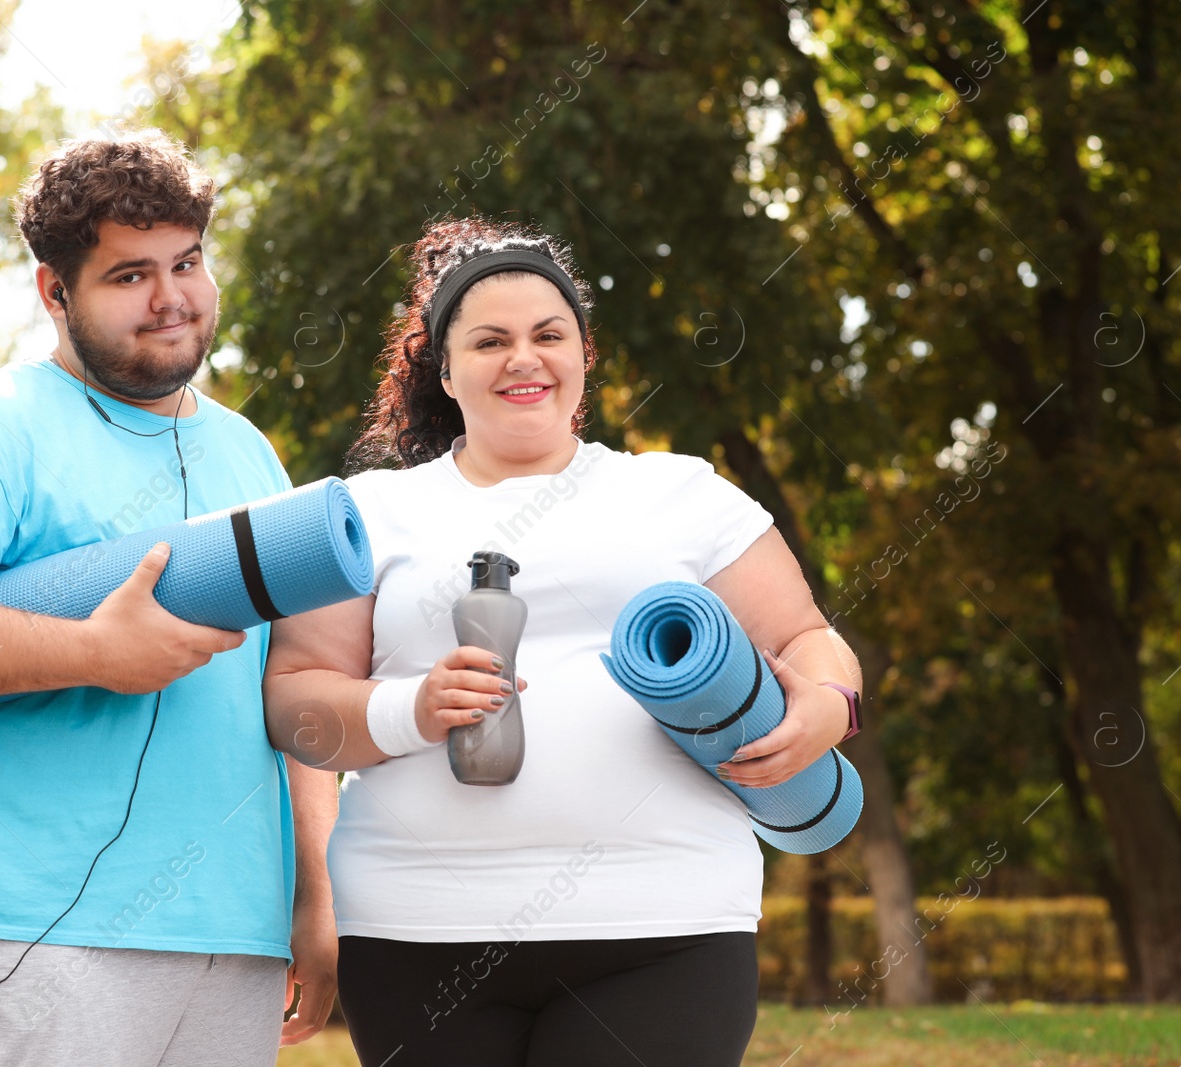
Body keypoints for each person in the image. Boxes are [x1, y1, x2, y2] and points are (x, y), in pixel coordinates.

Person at [264, 217, 863, 1066]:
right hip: (419, 929)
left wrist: (828, 706)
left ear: (583, 354)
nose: (524, 358)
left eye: (549, 334)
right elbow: (294, 700)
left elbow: (808, 638)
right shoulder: (364, 513)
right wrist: (411, 708)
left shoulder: (679, 491)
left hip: (664, 925)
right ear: (442, 366)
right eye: (490, 340)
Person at [0, 130, 336, 1066]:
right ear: (53, 292)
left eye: (187, 262)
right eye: (129, 274)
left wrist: (316, 890)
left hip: (234, 929)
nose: (172, 297)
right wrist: (96, 655)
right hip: (37, 932)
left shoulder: (250, 454)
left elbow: (290, 684)